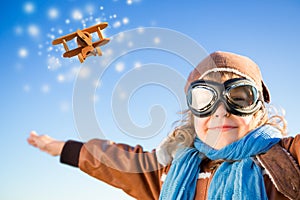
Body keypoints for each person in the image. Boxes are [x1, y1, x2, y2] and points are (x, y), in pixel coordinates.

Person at [27, 51, 300, 200]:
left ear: (258, 110)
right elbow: (119, 163)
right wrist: (61, 147)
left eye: (238, 98)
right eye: (205, 98)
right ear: (192, 113)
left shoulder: (285, 159)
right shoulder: (173, 173)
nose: (221, 111)